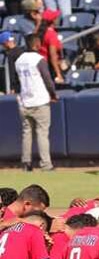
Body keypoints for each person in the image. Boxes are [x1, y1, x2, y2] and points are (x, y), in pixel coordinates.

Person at [15, 33, 57, 172]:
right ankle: (46, 164)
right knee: (42, 133)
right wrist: (53, 94)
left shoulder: (19, 60)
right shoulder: (39, 59)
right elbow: (47, 79)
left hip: (25, 100)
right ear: (36, 44)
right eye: (39, 43)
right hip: (39, 100)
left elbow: (16, 81)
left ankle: (26, 163)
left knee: (27, 133)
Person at [38, 8, 63, 84]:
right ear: (53, 20)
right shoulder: (51, 35)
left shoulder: (40, 31)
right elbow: (53, 56)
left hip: (40, 66)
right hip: (48, 68)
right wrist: (58, 73)